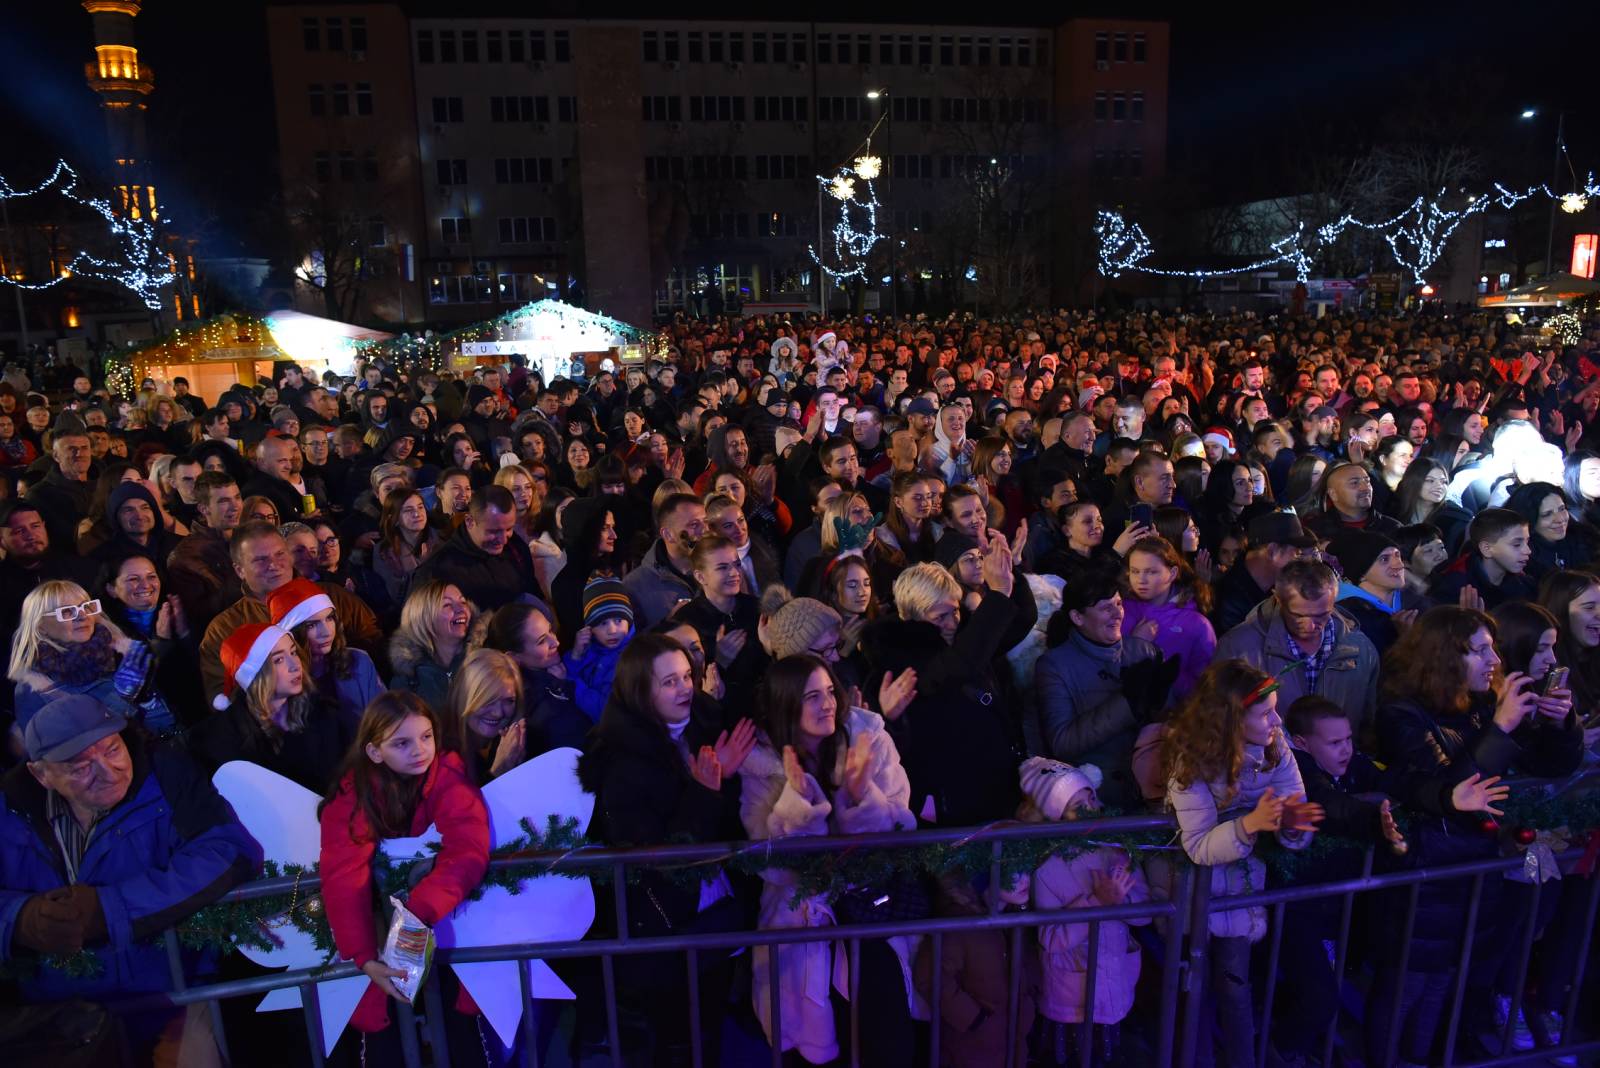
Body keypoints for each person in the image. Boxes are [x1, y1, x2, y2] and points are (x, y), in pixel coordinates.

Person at [1371, 607, 1583, 1064]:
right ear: (1445, 655)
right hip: (1426, 875)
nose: (1495, 660)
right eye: (1480, 651)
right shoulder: (1402, 714)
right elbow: (1452, 789)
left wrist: (1560, 725)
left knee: (1444, 984)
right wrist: (1501, 727)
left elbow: (1549, 765)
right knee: (1406, 986)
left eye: (1494, 649)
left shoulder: (1483, 706)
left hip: (1475, 872)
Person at [0, 694, 259, 1057]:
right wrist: (20, 918)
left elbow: (227, 849)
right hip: (58, 1020)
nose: (109, 772)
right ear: (41, 774)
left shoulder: (165, 774)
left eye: (113, 750)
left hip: (169, 999)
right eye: (80, 767)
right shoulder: (10, 809)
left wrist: (112, 909)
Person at [575, 634, 754, 1065]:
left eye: (687, 676)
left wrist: (722, 781)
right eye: (669, 682)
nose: (685, 688)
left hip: (707, 917)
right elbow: (655, 858)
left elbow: (723, 824)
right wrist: (705, 791)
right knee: (671, 1042)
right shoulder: (620, 761)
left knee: (705, 1032)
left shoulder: (701, 729)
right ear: (641, 690)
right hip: (659, 935)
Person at [738, 654, 918, 1066]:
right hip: (801, 922)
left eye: (829, 692)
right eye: (811, 697)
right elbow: (770, 862)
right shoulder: (761, 764)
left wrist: (860, 798)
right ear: (786, 705)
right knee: (814, 1043)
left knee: (883, 1037)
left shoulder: (869, 738)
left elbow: (899, 830)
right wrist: (799, 806)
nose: (827, 705)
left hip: (869, 915)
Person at [1161, 659, 1323, 1068]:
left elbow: (1292, 801)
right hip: (1189, 888)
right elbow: (1197, 844)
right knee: (1191, 983)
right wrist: (1250, 824)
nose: (1277, 720)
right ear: (1232, 717)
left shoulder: (1275, 744)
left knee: (1235, 986)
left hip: (1239, 890)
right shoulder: (1190, 760)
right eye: (1266, 713)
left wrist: (1291, 826)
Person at [317, 690, 490, 1060]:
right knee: (385, 1032)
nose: (420, 750)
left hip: (448, 925)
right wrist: (364, 957)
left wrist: (416, 913)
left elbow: (468, 848)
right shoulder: (352, 796)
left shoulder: (448, 777)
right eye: (402, 743)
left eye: (426, 737)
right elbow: (344, 877)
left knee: (460, 1029)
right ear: (374, 751)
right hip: (380, 934)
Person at [863, 557, 1025, 826]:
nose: (952, 623)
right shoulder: (900, 661)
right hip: (947, 804)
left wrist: (1009, 572)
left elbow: (1020, 622)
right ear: (914, 617)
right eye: (940, 617)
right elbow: (956, 668)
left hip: (993, 787)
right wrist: (998, 594)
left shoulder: (964, 639)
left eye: (955, 611)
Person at [1018, 757, 1150, 1067]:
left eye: (1091, 797)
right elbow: (1051, 938)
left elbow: (1145, 913)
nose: (1091, 808)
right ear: (1057, 816)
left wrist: (1119, 900)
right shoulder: (1048, 868)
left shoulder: (1117, 849)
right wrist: (1097, 902)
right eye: (1079, 806)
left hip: (1116, 982)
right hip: (1071, 996)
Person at [198, 522, 381, 706]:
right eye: (260, 560)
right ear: (240, 570)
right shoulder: (225, 628)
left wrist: (342, 665)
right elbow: (224, 697)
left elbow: (374, 643)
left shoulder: (331, 596)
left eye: (280, 554)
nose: (273, 565)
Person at [1031, 570, 1172, 809]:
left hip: (1153, 787)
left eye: (1119, 603)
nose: (1117, 614)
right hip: (1098, 796)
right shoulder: (1054, 666)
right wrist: (1126, 702)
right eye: (1106, 608)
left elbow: (1169, 722)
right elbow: (1062, 742)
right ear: (1078, 617)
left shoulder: (1144, 651)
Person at [1212, 558, 1381, 740]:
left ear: (1334, 602)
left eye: (1322, 615)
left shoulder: (1361, 650)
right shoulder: (1238, 648)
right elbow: (1218, 718)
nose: (1311, 626)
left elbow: (1368, 729)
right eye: (1299, 616)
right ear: (1278, 599)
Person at [190, 622, 351, 793]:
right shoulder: (226, 738)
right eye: (278, 660)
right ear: (256, 674)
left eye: (293, 652)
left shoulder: (323, 713)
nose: (295, 665)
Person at [8, 580, 177, 737]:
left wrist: (145, 699)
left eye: (86, 607)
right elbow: (50, 754)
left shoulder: (123, 654)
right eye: (67, 612)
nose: (82, 616)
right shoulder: (35, 689)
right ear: (40, 626)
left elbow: (169, 730)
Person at [479, 601, 591, 756]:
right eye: (541, 641)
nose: (556, 642)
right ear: (513, 658)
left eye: (550, 630)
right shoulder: (534, 709)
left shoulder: (556, 669)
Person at [269, 578, 382, 729]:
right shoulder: (281, 679)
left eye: (329, 618)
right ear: (293, 634)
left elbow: (385, 720)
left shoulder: (358, 661)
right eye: (311, 625)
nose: (327, 632)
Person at [1121, 535, 1216, 698]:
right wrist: (1135, 645)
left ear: (1172, 574)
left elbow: (1205, 686)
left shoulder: (1196, 624)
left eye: (1151, 572)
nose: (1141, 580)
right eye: (1135, 571)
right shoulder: (1119, 611)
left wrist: (1166, 672)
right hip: (1121, 708)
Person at [410, 485, 526, 614]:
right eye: (494, 531)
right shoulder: (434, 572)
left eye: (509, 529)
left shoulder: (516, 548)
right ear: (470, 521)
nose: (503, 540)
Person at [1209, 509, 1317, 635]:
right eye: (1296, 552)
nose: (1299, 561)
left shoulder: (1280, 586)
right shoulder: (1231, 602)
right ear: (1272, 551)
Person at [1327, 529, 1422, 656]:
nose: (1399, 565)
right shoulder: (1347, 618)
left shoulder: (1418, 601)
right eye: (1384, 559)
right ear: (1361, 573)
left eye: (1397, 555)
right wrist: (1405, 638)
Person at [442, 647, 529, 785]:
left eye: (509, 701)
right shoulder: (442, 758)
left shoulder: (510, 746)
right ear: (464, 698)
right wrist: (498, 771)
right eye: (489, 700)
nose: (498, 713)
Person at [623, 491, 706, 628]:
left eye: (706, 522)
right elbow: (629, 639)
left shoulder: (719, 567)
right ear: (668, 534)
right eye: (694, 525)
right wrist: (667, 626)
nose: (705, 530)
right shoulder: (634, 587)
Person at [1427, 506, 1536, 610]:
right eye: (1517, 545)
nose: (1528, 551)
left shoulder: (1524, 583)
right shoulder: (1454, 586)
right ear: (1486, 548)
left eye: (1527, 542)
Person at [388, 580, 473, 709]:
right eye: (447, 605)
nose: (461, 609)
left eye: (463, 602)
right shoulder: (407, 682)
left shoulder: (484, 661)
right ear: (423, 618)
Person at [563, 576, 634, 721]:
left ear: (629, 621)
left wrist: (570, 681)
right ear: (590, 628)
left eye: (619, 620)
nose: (612, 630)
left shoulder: (633, 658)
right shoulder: (589, 647)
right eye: (602, 623)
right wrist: (576, 655)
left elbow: (605, 710)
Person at [367, 488, 442, 618]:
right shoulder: (384, 553)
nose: (417, 514)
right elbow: (397, 598)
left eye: (420, 507)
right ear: (394, 518)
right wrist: (423, 569)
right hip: (410, 617)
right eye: (408, 510)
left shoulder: (441, 541)